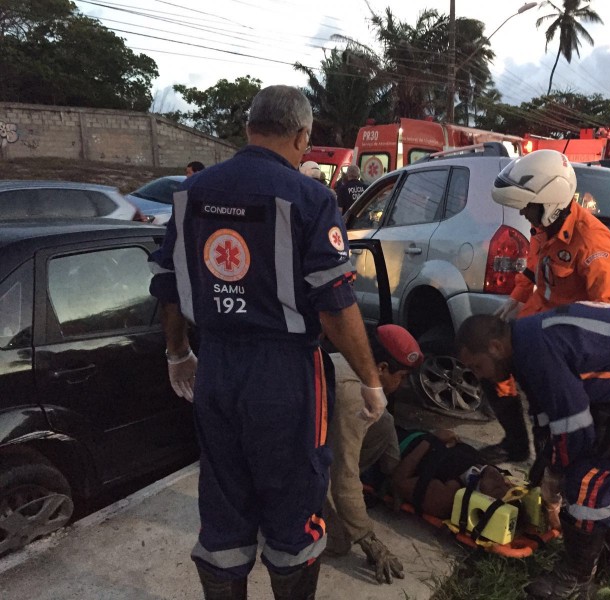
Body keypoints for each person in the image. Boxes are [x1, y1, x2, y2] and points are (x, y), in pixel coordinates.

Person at [148, 84, 388, 600]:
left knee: (223, 504)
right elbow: (336, 309)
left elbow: (167, 286)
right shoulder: (310, 197)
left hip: (215, 368)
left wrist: (178, 353)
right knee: (293, 510)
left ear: (248, 129)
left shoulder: (191, 194)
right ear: (303, 136)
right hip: (285, 379)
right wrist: (370, 380)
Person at [455, 306, 610, 600]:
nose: (478, 376)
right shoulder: (525, 344)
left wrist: (556, 477)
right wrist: (546, 465)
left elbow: (574, 428)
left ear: (495, 347)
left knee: (593, 471)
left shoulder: (536, 350)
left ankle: (574, 578)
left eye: (477, 367)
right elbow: (545, 413)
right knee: (590, 467)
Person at [483, 149, 610, 464]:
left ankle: (550, 459)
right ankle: (516, 444)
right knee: (491, 366)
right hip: (537, 321)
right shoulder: (543, 227)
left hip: (565, 338)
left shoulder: (590, 241)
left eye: (526, 208)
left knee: (545, 402)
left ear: (550, 203)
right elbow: (533, 271)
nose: (522, 215)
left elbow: (605, 306)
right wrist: (515, 300)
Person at [324, 324, 424, 584]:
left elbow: (385, 423)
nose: (401, 384)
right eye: (400, 376)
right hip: (282, 458)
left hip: (313, 440)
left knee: (381, 424)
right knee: (339, 541)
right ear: (381, 368)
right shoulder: (353, 393)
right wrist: (369, 541)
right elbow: (344, 478)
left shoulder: (356, 364)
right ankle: (277, 516)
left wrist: (393, 475)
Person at [390, 428, 514, 519]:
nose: (505, 484)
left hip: (397, 444)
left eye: (498, 489)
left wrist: (432, 439)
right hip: (411, 434)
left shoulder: (446, 496)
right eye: (507, 486)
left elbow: (399, 481)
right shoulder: (485, 473)